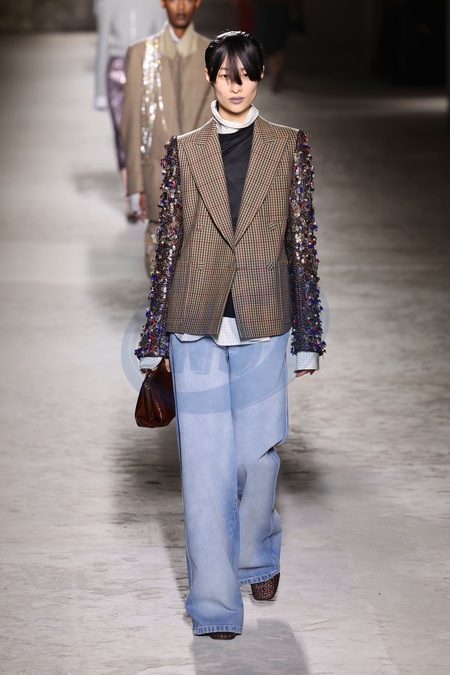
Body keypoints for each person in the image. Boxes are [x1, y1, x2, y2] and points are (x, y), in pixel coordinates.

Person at [135, 31, 325, 639]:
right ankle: (214, 606)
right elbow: (169, 245)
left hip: (265, 319)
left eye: (246, 75)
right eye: (225, 75)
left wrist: (308, 335)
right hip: (194, 322)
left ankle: (256, 552)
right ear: (211, 78)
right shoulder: (184, 150)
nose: (236, 85)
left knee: (254, 459)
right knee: (204, 469)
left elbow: (301, 243)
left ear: (260, 77)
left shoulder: (288, 146)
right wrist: (154, 339)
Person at [121, 0, 214, 275]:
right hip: (156, 174)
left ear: (198, 2)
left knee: (199, 268)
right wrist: (135, 186)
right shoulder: (140, 54)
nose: (181, 6)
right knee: (159, 270)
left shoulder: (212, 54)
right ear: (163, 2)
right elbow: (131, 122)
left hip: (203, 176)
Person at [94, 0, 166, 217]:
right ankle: (131, 194)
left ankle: (145, 190)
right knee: (122, 131)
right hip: (117, 71)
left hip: (149, 67)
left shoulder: (157, 3)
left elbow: (163, 42)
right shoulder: (108, 3)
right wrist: (100, 92)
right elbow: (103, 44)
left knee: (148, 131)